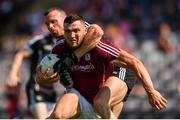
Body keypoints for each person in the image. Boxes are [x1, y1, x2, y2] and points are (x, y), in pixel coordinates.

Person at [36, 14, 168, 119]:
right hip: (80, 94)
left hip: (111, 81)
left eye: (76, 31)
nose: (72, 36)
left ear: (85, 31)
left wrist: (151, 91)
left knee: (100, 102)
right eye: (68, 31)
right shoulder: (59, 48)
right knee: (56, 116)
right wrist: (45, 78)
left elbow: (135, 62)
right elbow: (41, 78)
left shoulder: (99, 47)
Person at [6, 8, 103, 118]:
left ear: (64, 20)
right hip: (38, 89)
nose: (50, 26)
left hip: (56, 92)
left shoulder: (75, 37)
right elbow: (20, 54)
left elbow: (97, 31)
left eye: (54, 22)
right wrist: (13, 74)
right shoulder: (40, 41)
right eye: (47, 24)